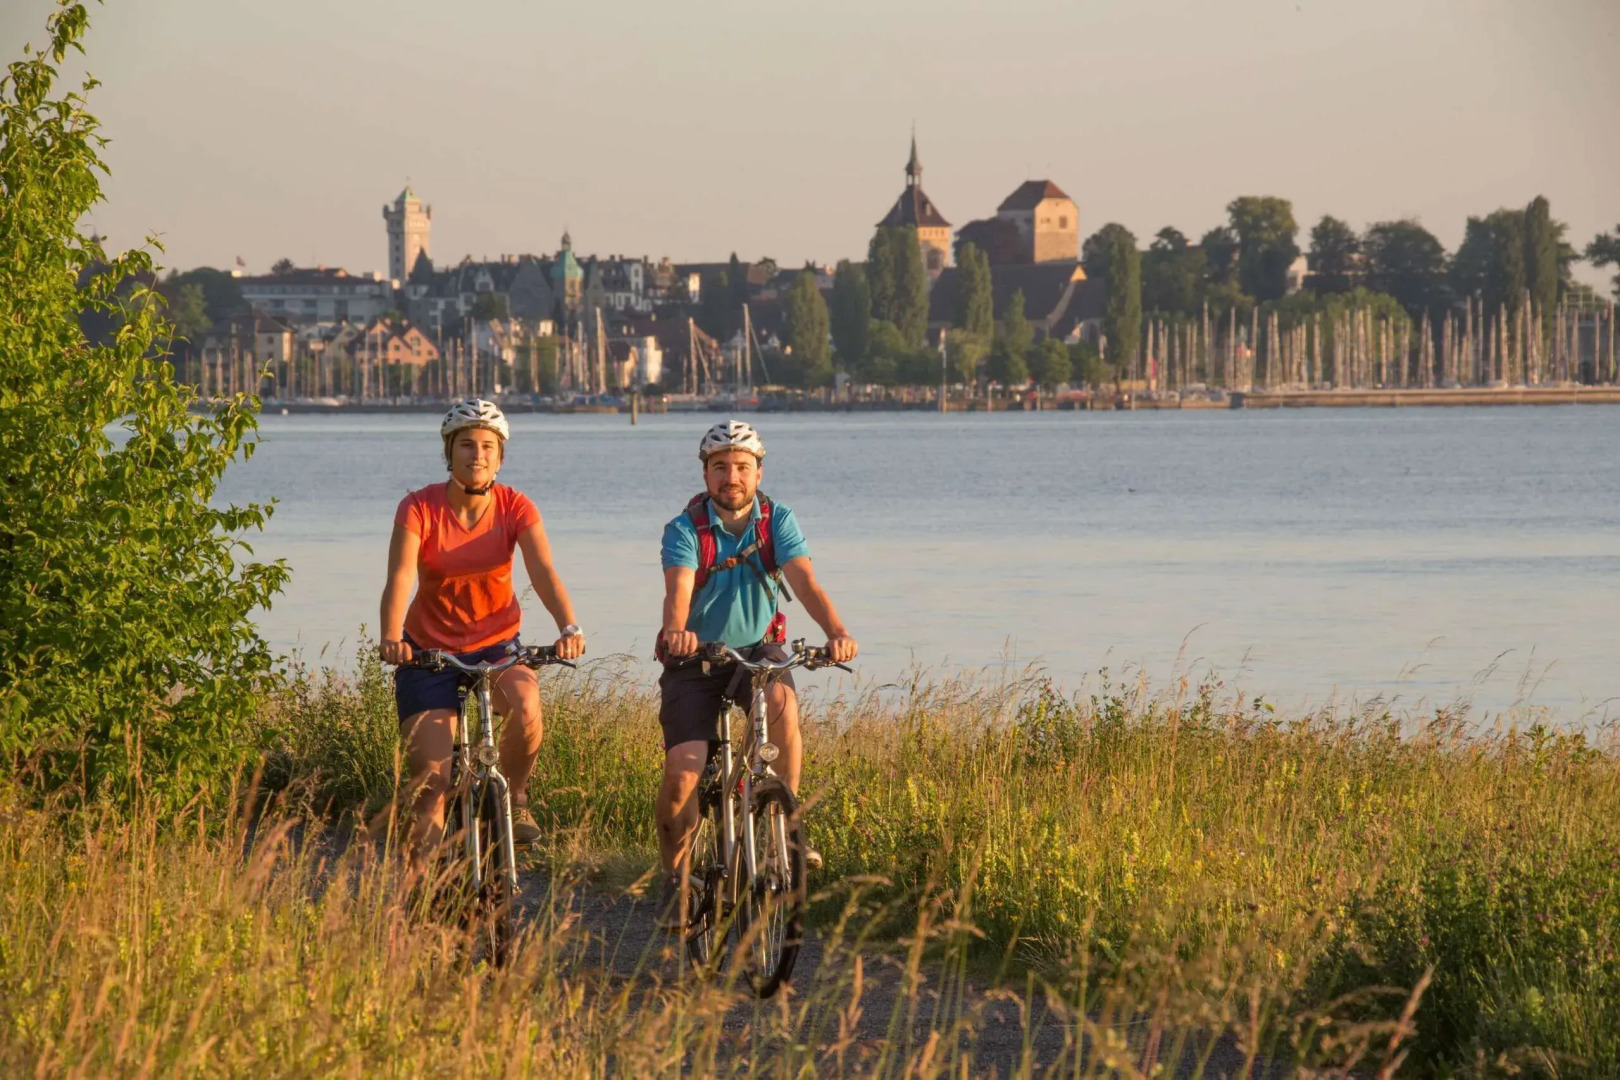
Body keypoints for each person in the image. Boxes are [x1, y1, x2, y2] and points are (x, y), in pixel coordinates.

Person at [654, 419, 858, 929]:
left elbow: (804, 580)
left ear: (758, 472)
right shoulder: (685, 530)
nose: (731, 476)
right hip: (695, 655)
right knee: (683, 773)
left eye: (742, 467)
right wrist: (676, 631)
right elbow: (678, 589)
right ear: (706, 473)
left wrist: (836, 631)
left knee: (783, 710)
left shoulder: (776, 520)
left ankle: (783, 829)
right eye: (720, 467)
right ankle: (675, 881)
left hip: (759, 649)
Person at [379, 398, 585, 864]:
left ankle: (511, 799)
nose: (478, 455)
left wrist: (568, 626)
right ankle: (422, 900)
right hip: (427, 652)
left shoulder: (516, 506)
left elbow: (543, 571)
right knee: (432, 783)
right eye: (467, 445)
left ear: (501, 456)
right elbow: (400, 577)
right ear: (449, 452)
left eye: (488, 446)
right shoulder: (418, 507)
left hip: (496, 645)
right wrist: (392, 636)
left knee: (528, 707)